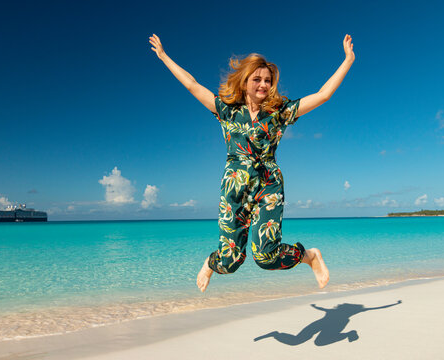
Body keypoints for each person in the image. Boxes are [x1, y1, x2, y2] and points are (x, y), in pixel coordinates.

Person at [149, 33, 355, 292]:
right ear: (244, 81)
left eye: (267, 80)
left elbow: (323, 95)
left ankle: (310, 256)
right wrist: (164, 56)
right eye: (257, 79)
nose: (263, 84)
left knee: (266, 257)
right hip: (234, 188)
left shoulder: (279, 113)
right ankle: (210, 264)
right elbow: (192, 85)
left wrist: (348, 60)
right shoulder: (227, 110)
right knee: (230, 261)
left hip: (268, 185)